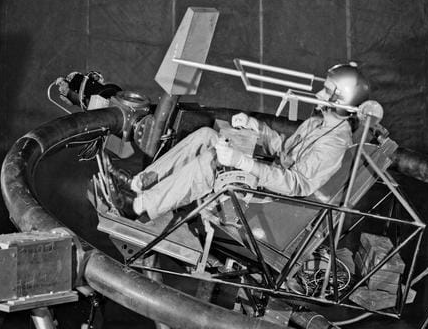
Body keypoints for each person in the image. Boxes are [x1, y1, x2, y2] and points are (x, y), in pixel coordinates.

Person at [100, 62, 371, 222]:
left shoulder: (334, 142)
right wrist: (257, 127)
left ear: (340, 100)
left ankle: (138, 208)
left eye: (327, 90)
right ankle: (141, 184)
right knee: (207, 136)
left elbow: (296, 184)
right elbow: (284, 150)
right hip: (271, 177)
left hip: (279, 199)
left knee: (213, 160)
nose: (318, 93)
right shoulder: (320, 121)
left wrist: (242, 162)